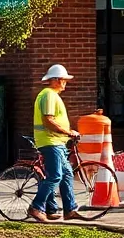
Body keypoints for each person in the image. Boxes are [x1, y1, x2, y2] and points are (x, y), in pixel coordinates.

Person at [28, 64, 85, 222]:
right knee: (55, 176)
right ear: (54, 80)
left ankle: (69, 209)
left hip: (56, 142)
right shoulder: (48, 95)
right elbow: (48, 120)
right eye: (62, 80)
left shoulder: (50, 95)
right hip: (50, 141)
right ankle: (36, 207)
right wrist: (68, 132)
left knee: (66, 174)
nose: (65, 82)